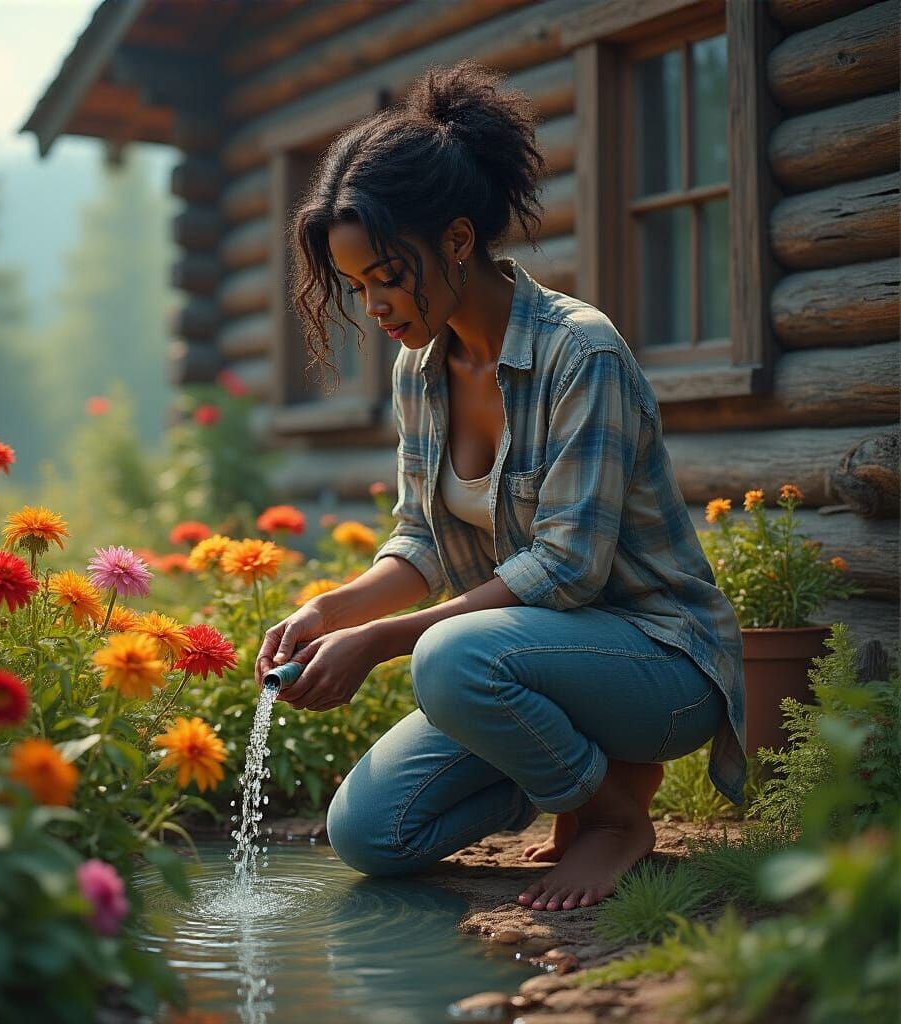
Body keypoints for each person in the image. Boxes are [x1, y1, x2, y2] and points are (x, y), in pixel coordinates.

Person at [254, 59, 746, 914]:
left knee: (446, 656)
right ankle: (560, 775)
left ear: (454, 240)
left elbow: (566, 572)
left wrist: (379, 643)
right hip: (530, 670)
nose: (374, 304)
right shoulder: (420, 371)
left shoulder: (578, 352)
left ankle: (611, 817)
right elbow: (417, 542)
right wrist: (334, 611)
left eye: (387, 273)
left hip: (661, 669)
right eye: (358, 284)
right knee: (369, 834)